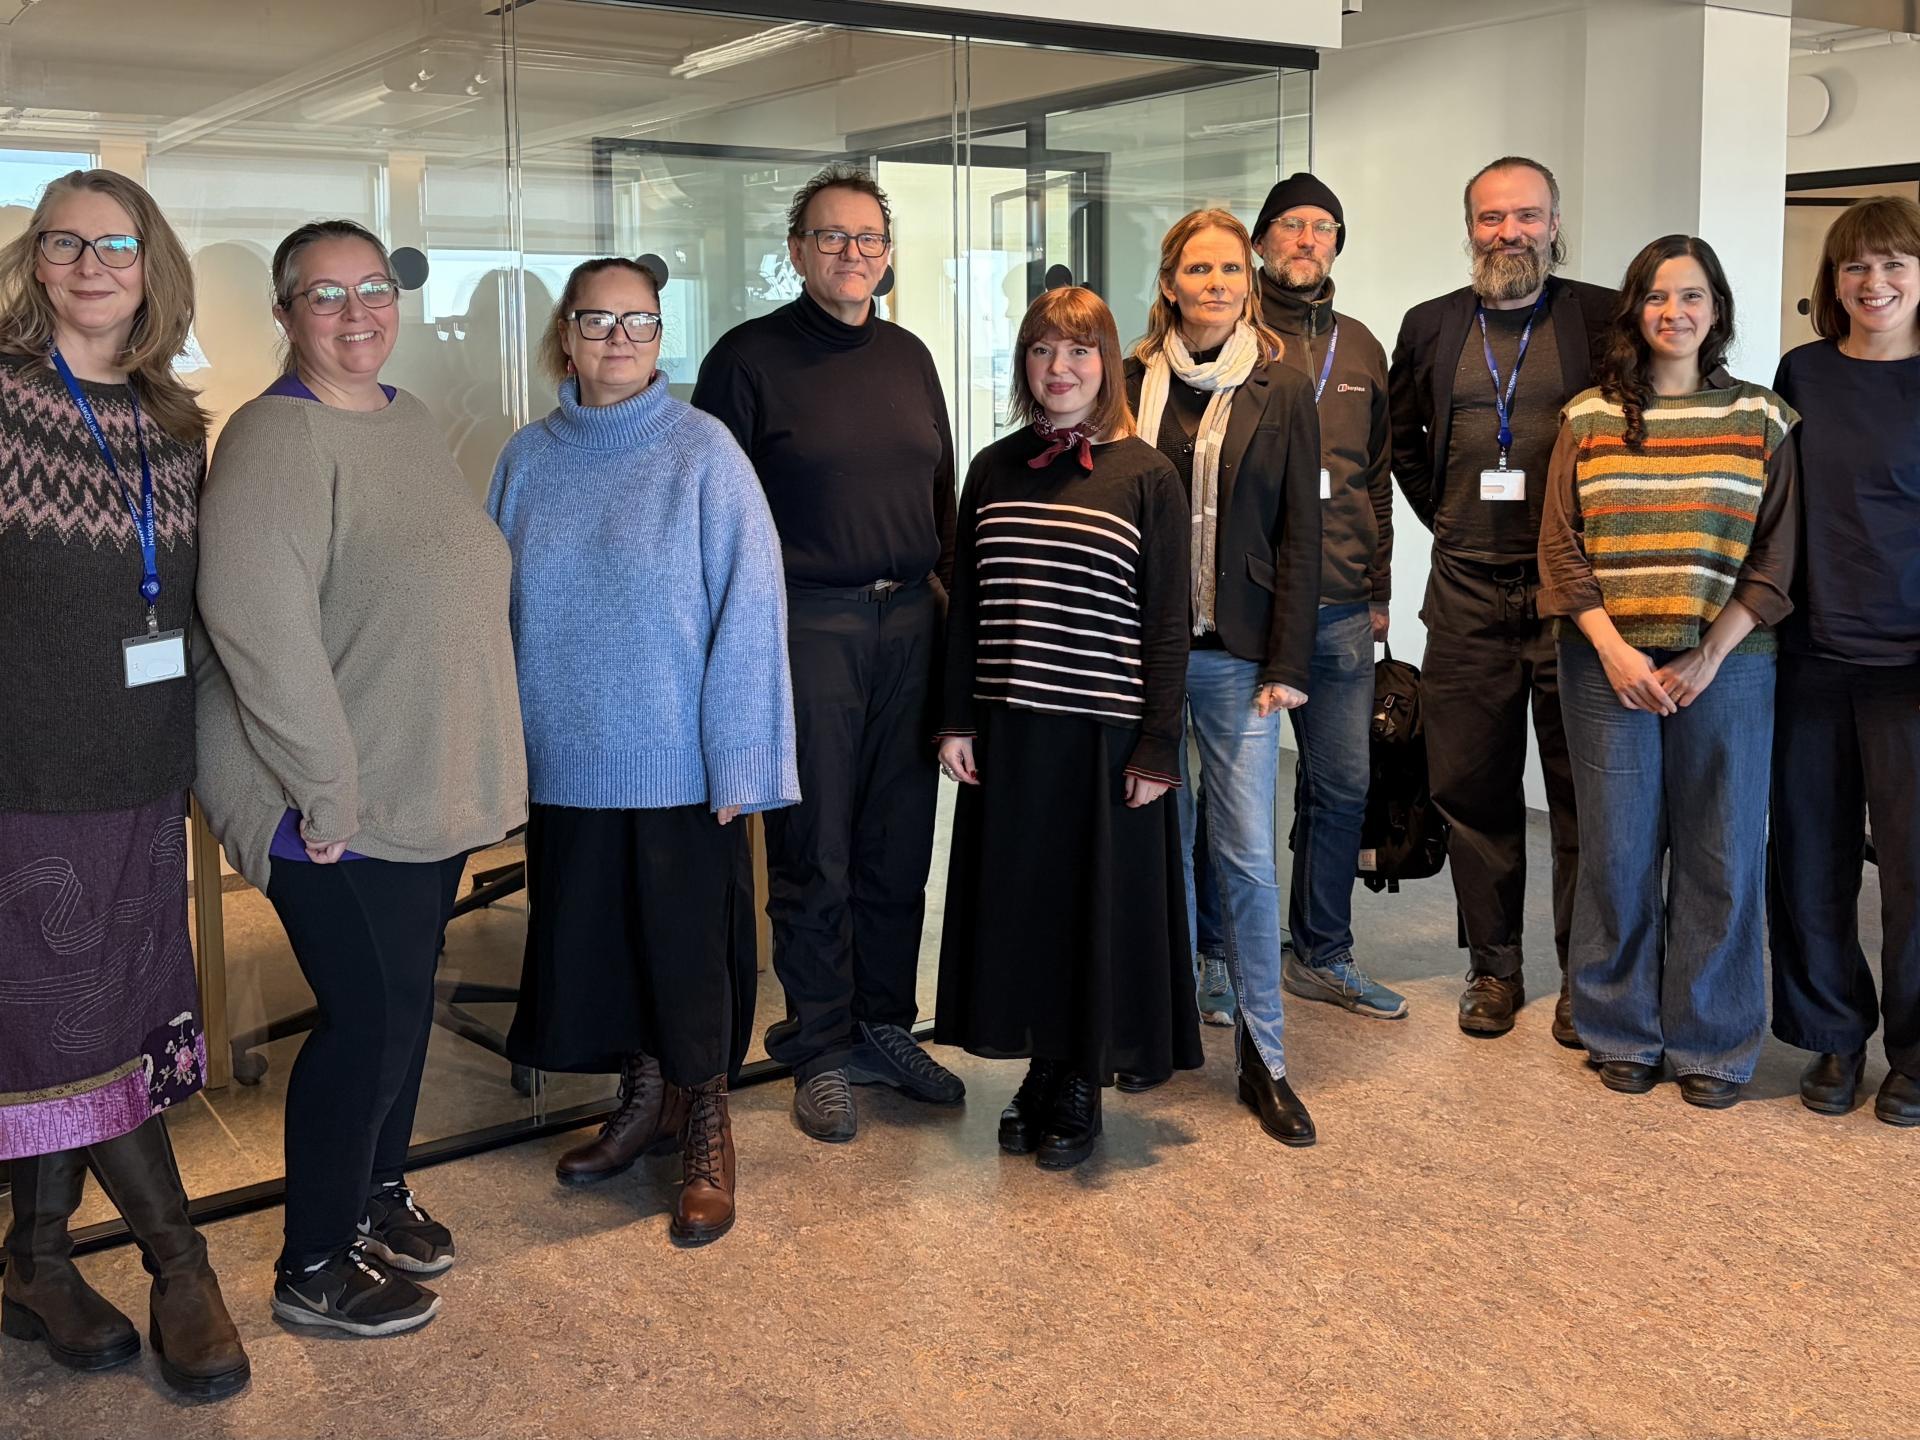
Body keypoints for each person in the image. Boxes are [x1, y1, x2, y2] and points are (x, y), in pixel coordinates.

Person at [193, 219, 527, 1335]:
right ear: (285, 313)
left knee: (405, 1005)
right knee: (367, 1016)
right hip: (322, 799)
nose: (355, 313)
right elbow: (258, 630)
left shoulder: (408, 417)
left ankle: (378, 1193)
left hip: (417, 782)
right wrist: (325, 790)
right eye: (325, 294)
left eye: (373, 289)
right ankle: (312, 1263)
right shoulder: (273, 438)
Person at [0, 168, 249, 1400]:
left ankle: (37, 1262)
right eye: (64, 243)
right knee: (70, 1025)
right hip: (23, 782)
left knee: (113, 1024)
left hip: (146, 775)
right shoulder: (2, 400)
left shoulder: (174, 423)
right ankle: (178, 1263)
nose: (91, 266)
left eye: (116, 244)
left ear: (153, 265)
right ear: (32, 262)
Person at [490, 258, 798, 1244]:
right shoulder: (526, 459)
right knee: (605, 949)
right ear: (566, 336)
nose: (620, 338)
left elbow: (752, 610)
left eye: (641, 322)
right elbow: (492, 616)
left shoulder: (703, 452)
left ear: (662, 336)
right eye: (598, 320)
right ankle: (646, 1100)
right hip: (567, 763)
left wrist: (742, 758)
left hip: (679, 769)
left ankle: (706, 1123)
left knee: (687, 957)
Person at [693, 165, 963, 1143]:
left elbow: (941, 500)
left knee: (898, 843)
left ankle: (883, 1025)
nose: (852, 253)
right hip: (805, 625)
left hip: (911, 624)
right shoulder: (748, 360)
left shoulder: (910, 356)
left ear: (887, 255)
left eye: (868, 238)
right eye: (831, 236)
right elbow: (712, 517)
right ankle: (816, 1047)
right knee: (817, 850)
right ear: (798, 250)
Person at [933, 286, 1201, 1168]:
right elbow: (967, 605)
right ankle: (1041, 1067)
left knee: (1095, 910)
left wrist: (1158, 744)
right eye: (1043, 350)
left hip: (1104, 736)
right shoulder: (992, 469)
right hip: (1011, 730)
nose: (1060, 368)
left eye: (1079, 351)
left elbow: (1166, 624)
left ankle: (1083, 1074)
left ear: (1107, 363)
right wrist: (956, 720)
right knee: (1026, 909)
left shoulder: (1148, 476)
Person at [1538, 235, 1798, 1109]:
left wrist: (1708, 654)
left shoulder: (1762, 418)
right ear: (1634, 310)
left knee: (1721, 851)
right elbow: (1561, 548)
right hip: (1605, 666)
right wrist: (1614, 649)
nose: (1673, 312)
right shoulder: (1587, 419)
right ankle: (1620, 1027)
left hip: (1729, 665)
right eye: (1656, 296)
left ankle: (1713, 1042)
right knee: (1616, 850)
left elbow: (1776, 557)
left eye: (1691, 296)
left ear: (1717, 309)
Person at [1387, 156, 1615, 1042]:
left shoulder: (1602, 317)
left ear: (1555, 224)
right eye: (1491, 217)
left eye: (1526, 216)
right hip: (1465, 595)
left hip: (1575, 597)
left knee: (1581, 794)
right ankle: (1494, 968)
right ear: (1470, 227)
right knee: (1471, 788)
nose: (1508, 232)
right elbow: (1404, 442)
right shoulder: (1432, 325)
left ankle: (1586, 977)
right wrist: (1448, 520)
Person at [1125, 209, 1323, 1147]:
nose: (1216, 284)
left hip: (1239, 657)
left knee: (1244, 856)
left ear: (1249, 284)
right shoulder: (1129, 382)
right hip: (1140, 656)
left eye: (1231, 270)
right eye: (1199, 269)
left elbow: (1301, 536)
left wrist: (1288, 662)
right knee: (1153, 848)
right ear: (1170, 283)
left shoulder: (1282, 387)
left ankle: (1264, 1057)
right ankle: (1154, 1030)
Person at [1768, 195, 1920, 1126]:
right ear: (1833, 281)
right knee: (1810, 859)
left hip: (1911, 670)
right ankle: (1834, 1034)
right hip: (1811, 657)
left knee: (1913, 873)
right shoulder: (1804, 372)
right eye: (1856, 265)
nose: (1875, 282)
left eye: (1895, 263)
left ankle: (1916, 1053)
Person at [1251, 172, 1404, 1021]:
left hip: (1342, 606)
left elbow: (1375, 479)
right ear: (1261, 241)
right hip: (1249, 608)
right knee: (1231, 799)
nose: (1307, 240)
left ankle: (1322, 952)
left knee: (1341, 789)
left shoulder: (1363, 347)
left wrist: (1380, 590)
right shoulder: (1234, 335)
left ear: (1338, 243)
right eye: (1290, 225)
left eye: (1323, 227)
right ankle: (1216, 954)